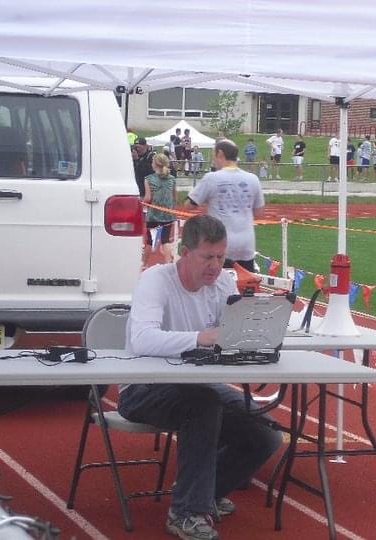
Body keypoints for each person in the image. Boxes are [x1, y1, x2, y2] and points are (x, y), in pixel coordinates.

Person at [120, 214, 282, 540]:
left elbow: (228, 334)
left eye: (221, 257)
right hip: (141, 387)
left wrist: (254, 333)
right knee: (204, 405)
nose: (215, 265)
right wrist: (199, 337)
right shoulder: (156, 280)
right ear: (185, 252)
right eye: (207, 257)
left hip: (197, 384)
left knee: (264, 432)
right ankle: (187, 513)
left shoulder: (222, 282)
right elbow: (142, 339)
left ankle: (203, 494)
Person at [184, 138, 265, 272]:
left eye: (213, 156)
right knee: (244, 288)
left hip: (221, 243)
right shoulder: (253, 179)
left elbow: (189, 205)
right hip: (247, 243)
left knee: (217, 287)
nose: (213, 161)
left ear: (220, 154)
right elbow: (258, 212)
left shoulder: (212, 178)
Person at [143, 153, 177, 265]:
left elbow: (148, 198)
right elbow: (174, 196)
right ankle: (167, 262)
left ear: (155, 164)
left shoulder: (148, 179)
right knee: (165, 240)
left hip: (153, 215)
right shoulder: (172, 179)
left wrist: (141, 204)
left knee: (149, 241)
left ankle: (144, 263)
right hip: (167, 214)